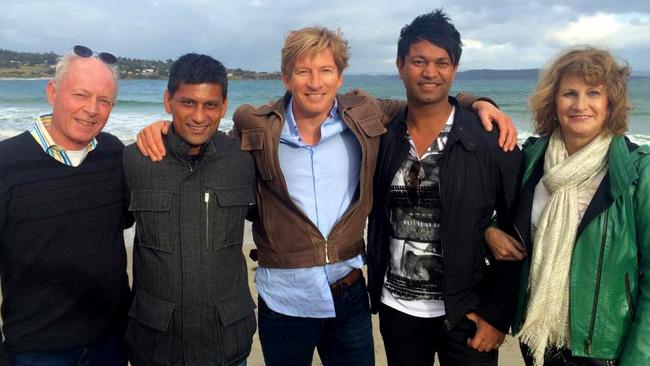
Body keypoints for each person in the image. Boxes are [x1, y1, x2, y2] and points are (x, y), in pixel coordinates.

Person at [135, 27, 517, 366]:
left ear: (340, 77)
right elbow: (206, 139)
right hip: (283, 300)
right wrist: (163, 130)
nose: (314, 82)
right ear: (286, 77)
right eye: (303, 71)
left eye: (325, 71)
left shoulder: (365, 114)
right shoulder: (256, 125)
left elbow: (426, 101)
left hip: (348, 295)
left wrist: (478, 102)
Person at [366, 10, 523, 366]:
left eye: (442, 62)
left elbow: (518, 228)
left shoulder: (488, 140)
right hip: (398, 309)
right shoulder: (384, 137)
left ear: (454, 68)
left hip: (467, 312)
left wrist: (497, 314)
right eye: (419, 61)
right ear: (400, 64)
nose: (430, 72)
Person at [485, 47, 650, 365]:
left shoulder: (637, 171)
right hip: (538, 339)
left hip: (605, 350)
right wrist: (490, 231)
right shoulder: (533, 159)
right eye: (569, 93)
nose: (580, 105)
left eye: (593, 93)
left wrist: (638, 359)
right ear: (553, 101)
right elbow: (502, 213)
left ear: (610, 102)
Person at [122, 54, 256, 366]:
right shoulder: (135, 160)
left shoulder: (244, 160)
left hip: (226, 342)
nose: (199, 116)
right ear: (167, 101)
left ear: (224, 106)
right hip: (156, 345)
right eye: (187, 103)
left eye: (210, 105)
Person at [0, 46, 131, 365]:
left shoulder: (115, 154)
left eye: (104, 101)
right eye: (81, 95)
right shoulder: (6, 162)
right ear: (52, 92)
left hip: (112, 342)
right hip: (36, 350)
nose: (92, 109)